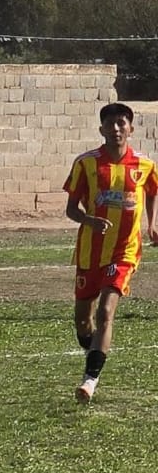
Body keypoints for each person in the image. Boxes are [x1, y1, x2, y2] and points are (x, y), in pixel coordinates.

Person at [64, 102, 158, 403]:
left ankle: (90, 380)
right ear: (101, 128)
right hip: (89, 253)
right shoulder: (85, 164)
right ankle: (93, 350)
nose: (116, 129)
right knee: (83, 322)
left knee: (106, 312)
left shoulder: (145, 165)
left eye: (122, 123)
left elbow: (153, 191)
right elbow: (71, 209)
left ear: (131, 128)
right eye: (110, 124)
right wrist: (88, 220)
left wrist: (152, 225)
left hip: (124, 252)